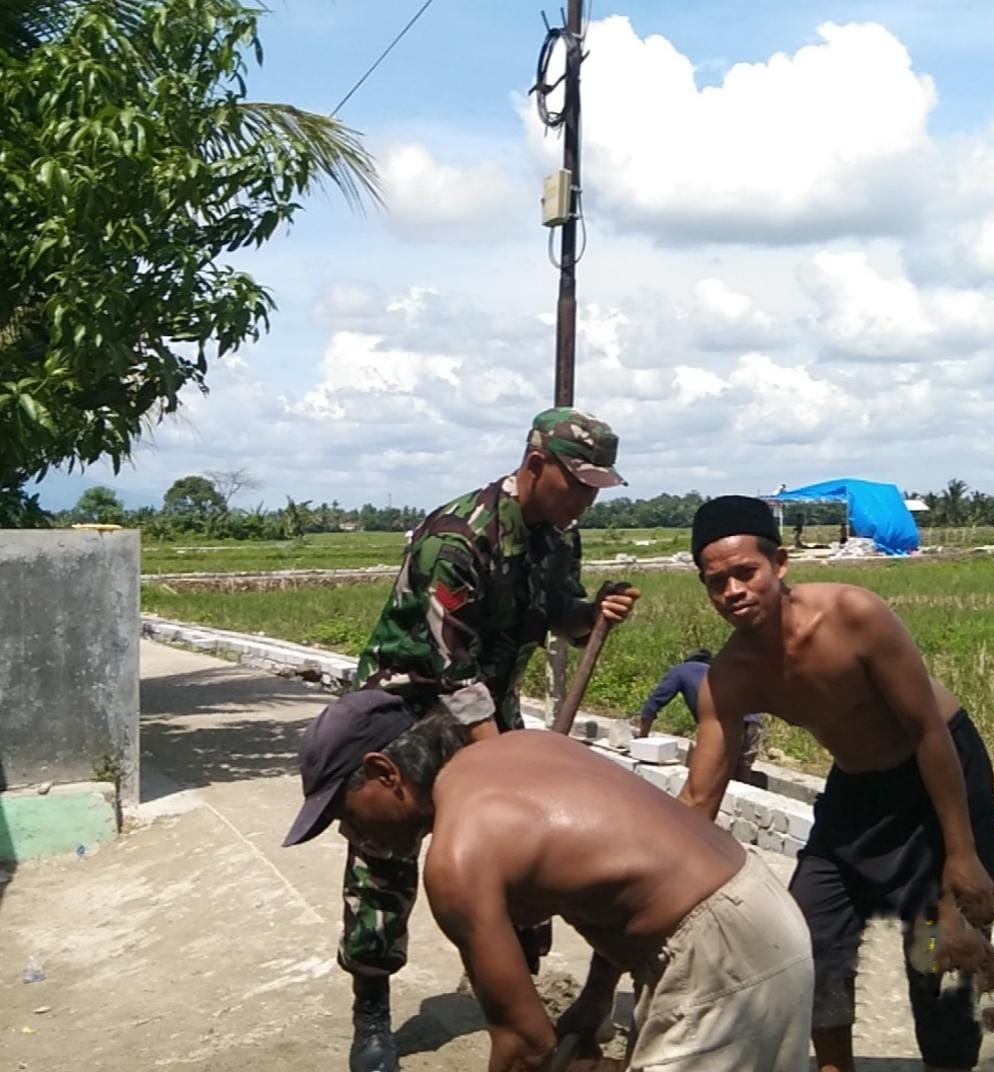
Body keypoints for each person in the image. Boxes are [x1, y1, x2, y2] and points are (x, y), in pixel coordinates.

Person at [331, 407, 640, 1072]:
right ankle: (372, 1011)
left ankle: (518, 987)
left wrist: (593, 616)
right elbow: (453, 671)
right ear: (535, 466)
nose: (585, 499)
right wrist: (503, 760)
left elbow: (561, 614)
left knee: (521, 850)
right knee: (383, 857)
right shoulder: (455, 538)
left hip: (487, 709)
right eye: (577, 483)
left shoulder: (558, 538)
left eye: (595, 487)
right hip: (410, 713)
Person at [284, 692, 815, 1072]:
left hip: (719, 963)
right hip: (761, 907)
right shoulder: (523, 750)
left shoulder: (456, 858)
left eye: (344, 813)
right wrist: (597, 996)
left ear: (384, 773)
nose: (350, 833)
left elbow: (526, 1046)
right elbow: (623, 874)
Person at [679, 494, 994, 1072]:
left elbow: (928, 730)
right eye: (716, 582)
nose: (733, 591)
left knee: (939, 953)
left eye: (745, 573)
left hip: (938, 775)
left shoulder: (855, 615)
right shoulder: (729, 677)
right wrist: (657, 886)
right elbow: (700, 799)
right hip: (856, 793)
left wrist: (961, 852)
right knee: (807, 929)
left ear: (779, 564)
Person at [636, 647, 764, 786]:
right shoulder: (717, 672)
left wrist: (641, 739)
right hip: (754, 723)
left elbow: (653, 705)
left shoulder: (682, 670)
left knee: (705, 779)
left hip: (725, 724)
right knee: (740, 776)